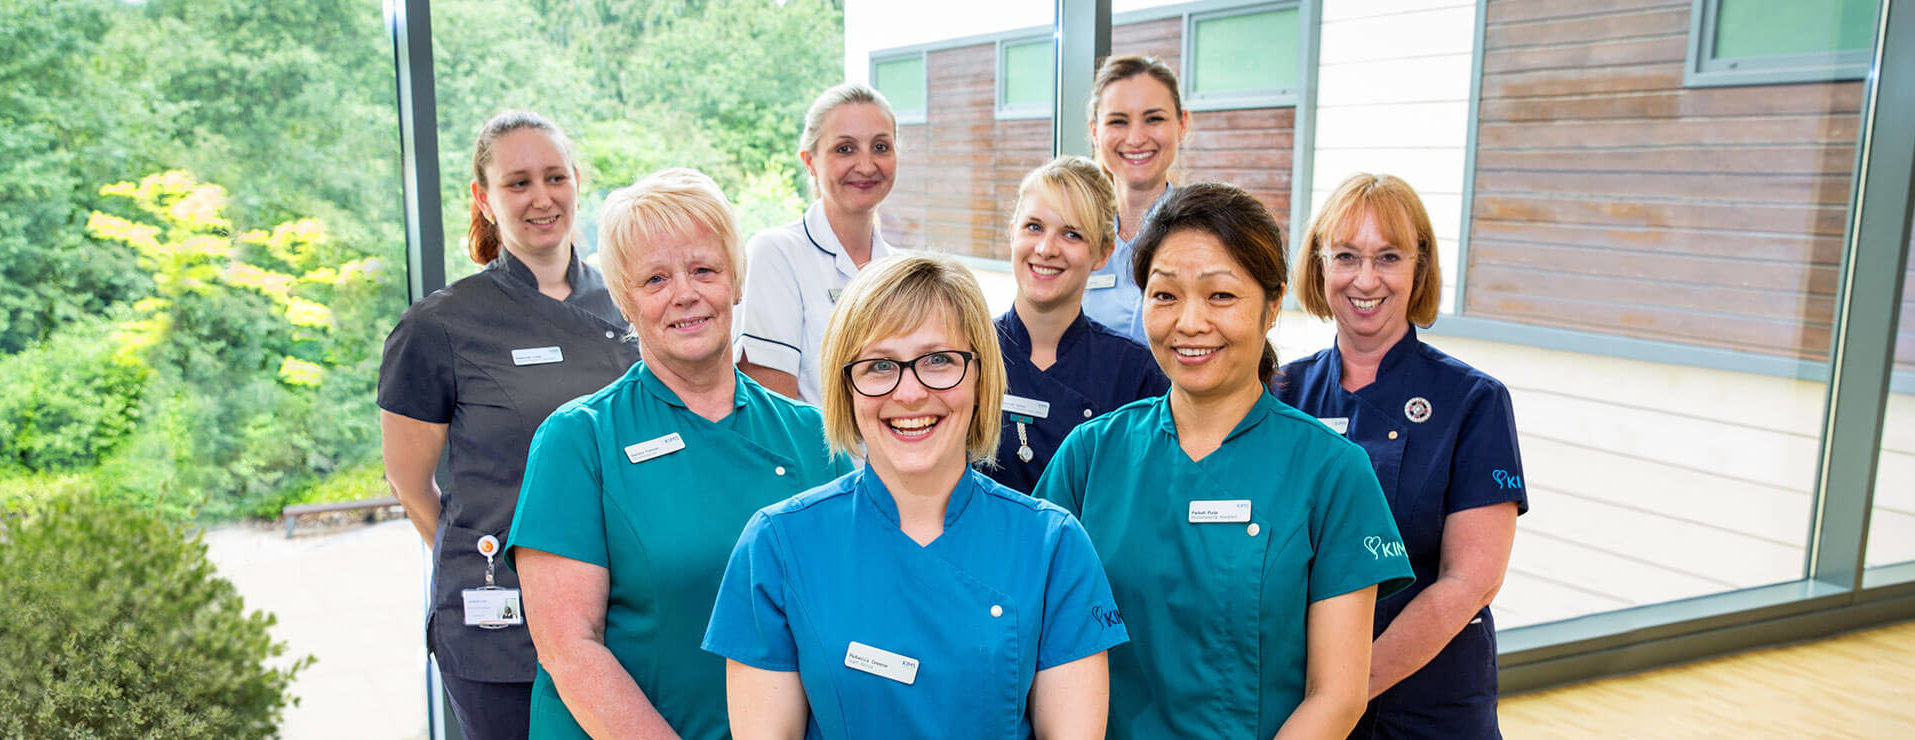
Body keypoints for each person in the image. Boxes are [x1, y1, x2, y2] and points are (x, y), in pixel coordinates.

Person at [1036, 183, 1415, 739]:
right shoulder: (1090, 455)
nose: (1189, 323)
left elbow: (1336, 695)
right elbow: (1041, 637)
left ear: (1272, 305)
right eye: (1165, 295)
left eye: (1220, 296)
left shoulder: (1333, 472)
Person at [704, 255, 1128, 740]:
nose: (909, 393)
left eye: (938, 360)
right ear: (845, 387)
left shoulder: (1053, 546)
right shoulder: (778, 546)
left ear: (980, 377)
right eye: (880, 365)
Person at [504, 169, 853, 740]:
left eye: (704, 270)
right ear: (624, 299)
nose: (684, 293)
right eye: (655, 279)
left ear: (737, 282)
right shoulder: (578, 440)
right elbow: (570, 649)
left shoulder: (815, 435)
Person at [378, 110, 638, 740]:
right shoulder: (439, 327)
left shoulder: (630, 301)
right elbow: (411, 485)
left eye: (554, 177)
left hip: (626, 612)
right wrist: (485, 560)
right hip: (502, 632)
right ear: (484, 199)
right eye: (518, 183)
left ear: (577, 182)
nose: (541, 198)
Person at [1273, 174, 1527, 740]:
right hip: (1297, 697)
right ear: (1319, 266)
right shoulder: (1280, 392)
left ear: (1420, 267)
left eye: (1388, 257)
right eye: (1346, 256)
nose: (1366, 279)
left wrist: (1342, 695)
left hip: (1426, 707)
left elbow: (1472, 580)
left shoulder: (1474, 401)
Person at [988, 156, 1167, 494]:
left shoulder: (1135, 373)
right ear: (1013, 234)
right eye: (1034, 227)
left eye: (1071, 234)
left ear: (1102, 253)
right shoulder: (968, 353)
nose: (1045, 249)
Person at [736, 82, 900, 404]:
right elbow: (775, 417)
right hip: (812, 456)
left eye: (881, 147)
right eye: (845, 149)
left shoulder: (899, 271)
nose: (866, 165)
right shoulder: (776, 254)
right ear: (809, 161)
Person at [1079, 55, 1191, 345]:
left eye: (1153, 119)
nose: (1136, 137)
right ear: (1095, 131)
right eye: (1118, 121)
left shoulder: (1205, 235)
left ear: (1181, 124)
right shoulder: (1072, 235)